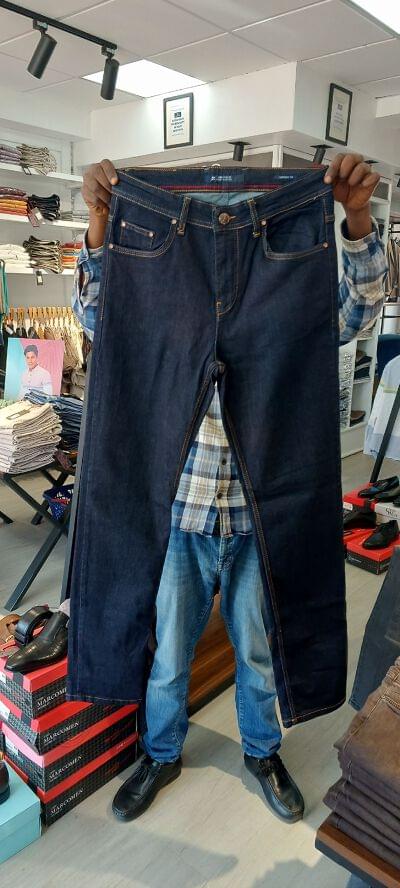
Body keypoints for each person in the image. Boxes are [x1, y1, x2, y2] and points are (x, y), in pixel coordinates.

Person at [71, 152, 387, 825]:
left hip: (258, 515)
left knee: (258, 649)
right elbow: (101, 320)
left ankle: (262, 751)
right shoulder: (166, 294)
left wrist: (356, 219)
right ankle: (159, 752)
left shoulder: (280, 296)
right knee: (169, 650)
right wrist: (100, 223)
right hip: (183, 512)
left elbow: (353, 314)